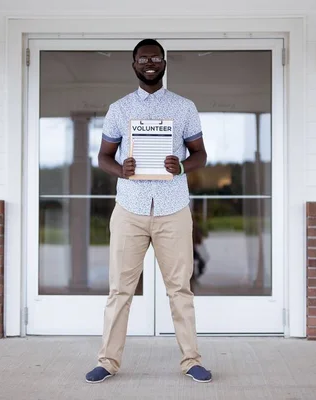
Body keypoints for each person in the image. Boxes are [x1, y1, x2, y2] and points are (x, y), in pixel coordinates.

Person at [85, 39, 212, 384]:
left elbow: (200, 154)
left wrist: (183, 166)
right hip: (130, 208)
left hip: (173, 208)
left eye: (155, 57)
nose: (150, 63)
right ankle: (108, 361)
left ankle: (191, 359)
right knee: (120, 289)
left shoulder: (184, 107)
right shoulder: (119, 109)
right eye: (143, 58)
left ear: (164, 62)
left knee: (180, 289)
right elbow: (103, 157)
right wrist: (120, 169)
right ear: (134, 65)